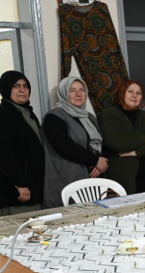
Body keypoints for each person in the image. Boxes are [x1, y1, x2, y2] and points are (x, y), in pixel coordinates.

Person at [42, 77, 108, 208]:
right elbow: (65, 146)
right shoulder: (54, 117)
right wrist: (95, 160)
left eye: (82, 90)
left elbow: (99, 143)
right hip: (67, 179)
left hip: (93, 178)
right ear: (63, 93)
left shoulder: (89, 117)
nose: (78, 94)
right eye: (72, 90)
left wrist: (101, 162)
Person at [99, 80, 145, 194]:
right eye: (130, 91)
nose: (134, 95)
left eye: (138, 93)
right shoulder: (109, 114)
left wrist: (134, 152)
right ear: (122, 93)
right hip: (120, 179)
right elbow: (116, 142)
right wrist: (143, 139)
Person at [0, 70, 44, 215]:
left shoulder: (27, 112)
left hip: (32, 185)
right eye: (16, 86)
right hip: (16, 190)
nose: (22, 90)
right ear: (6, 88)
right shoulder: (3, 114)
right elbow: (4, 155)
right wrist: (20, 183)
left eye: (25, 86)